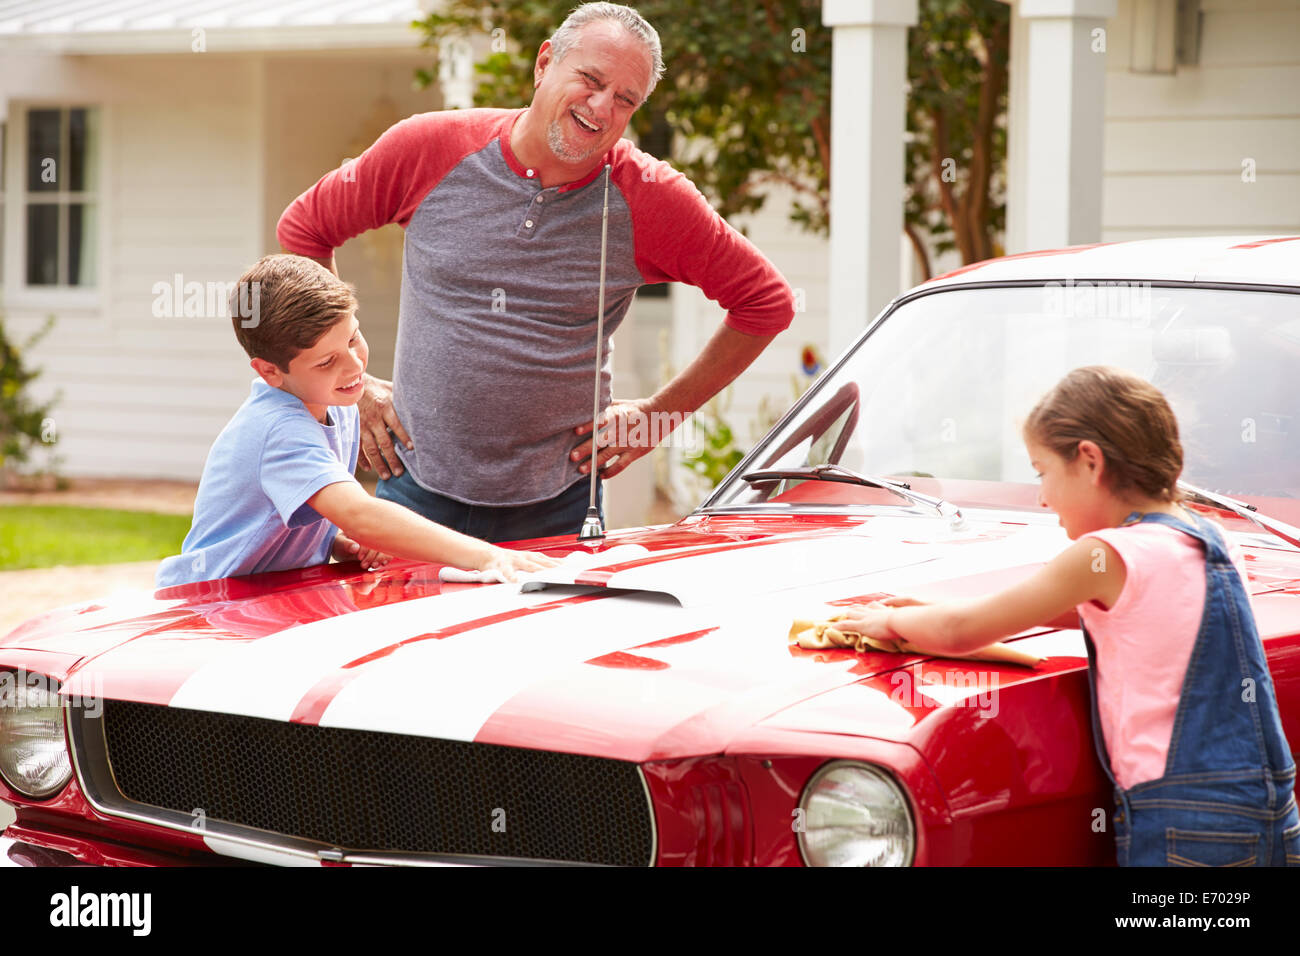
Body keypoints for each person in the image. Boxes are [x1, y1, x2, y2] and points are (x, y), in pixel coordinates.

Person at [275, 1, 794, 543]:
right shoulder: (428, 148)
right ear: (545, 63)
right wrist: (350, 380)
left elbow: (766, 303)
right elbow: (305, 230)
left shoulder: (650, 199)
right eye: (590, 80)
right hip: (413, 488)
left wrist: (660, 415)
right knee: (408, 632)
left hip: (559, 506)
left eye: (625, 99)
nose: (601, 107)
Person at [835, 366, 1299, 866]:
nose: (1041, 497)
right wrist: (930, 611)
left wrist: (889, 624)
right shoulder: (1210, 539)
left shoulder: (1106, 555)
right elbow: (1135, 621)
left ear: (1089, 461)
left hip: (1180, 824)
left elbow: (961, 633)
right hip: (1269, 809)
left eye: (1042, 471)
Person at [155, 254, 556, 590]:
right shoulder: (278, 430)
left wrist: (334, 541)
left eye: (352, 338)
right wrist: (487, 555)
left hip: (276, 594)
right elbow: (360, 514)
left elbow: (290, 513)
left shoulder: (337, 404)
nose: (354, 366)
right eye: (327, 361)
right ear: (270, 372)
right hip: (211, 603)